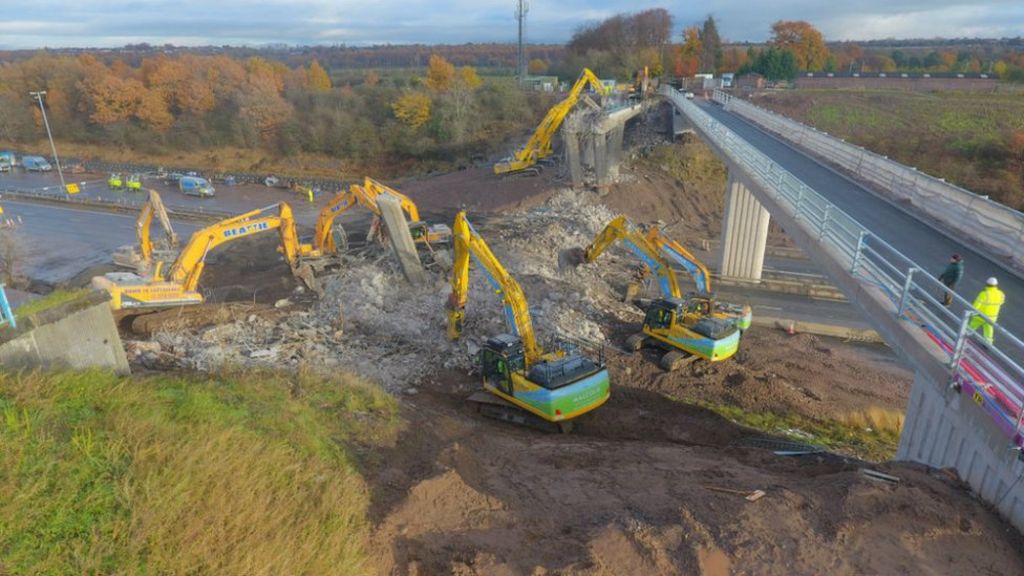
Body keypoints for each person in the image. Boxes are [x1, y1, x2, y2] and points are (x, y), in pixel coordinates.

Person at [970, 277, 1006, 343]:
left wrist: (971, 313)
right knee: (989, 332)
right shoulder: (1001, 294)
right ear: (996, 285)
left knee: (971, 327)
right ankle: (988, 343)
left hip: (980, 316)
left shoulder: (984, 294)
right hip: (992, 317)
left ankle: (964, 335)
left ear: (986, 284)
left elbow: (976, 305)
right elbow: (1001, 302)